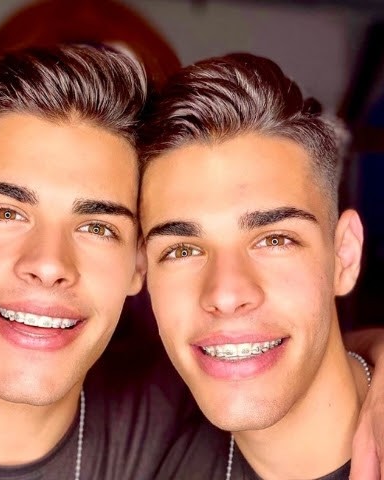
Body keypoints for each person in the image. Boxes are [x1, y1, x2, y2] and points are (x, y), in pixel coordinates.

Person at [0, 43, 196, 479]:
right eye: (7, 213)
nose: (48, 264)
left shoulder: (182, 433)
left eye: (96, 227)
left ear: (140, 263)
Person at [138, 52, 384, 479]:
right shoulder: (143, 441)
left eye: (274, 240)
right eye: (182, 250)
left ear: (344, 255)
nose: (226, 294)